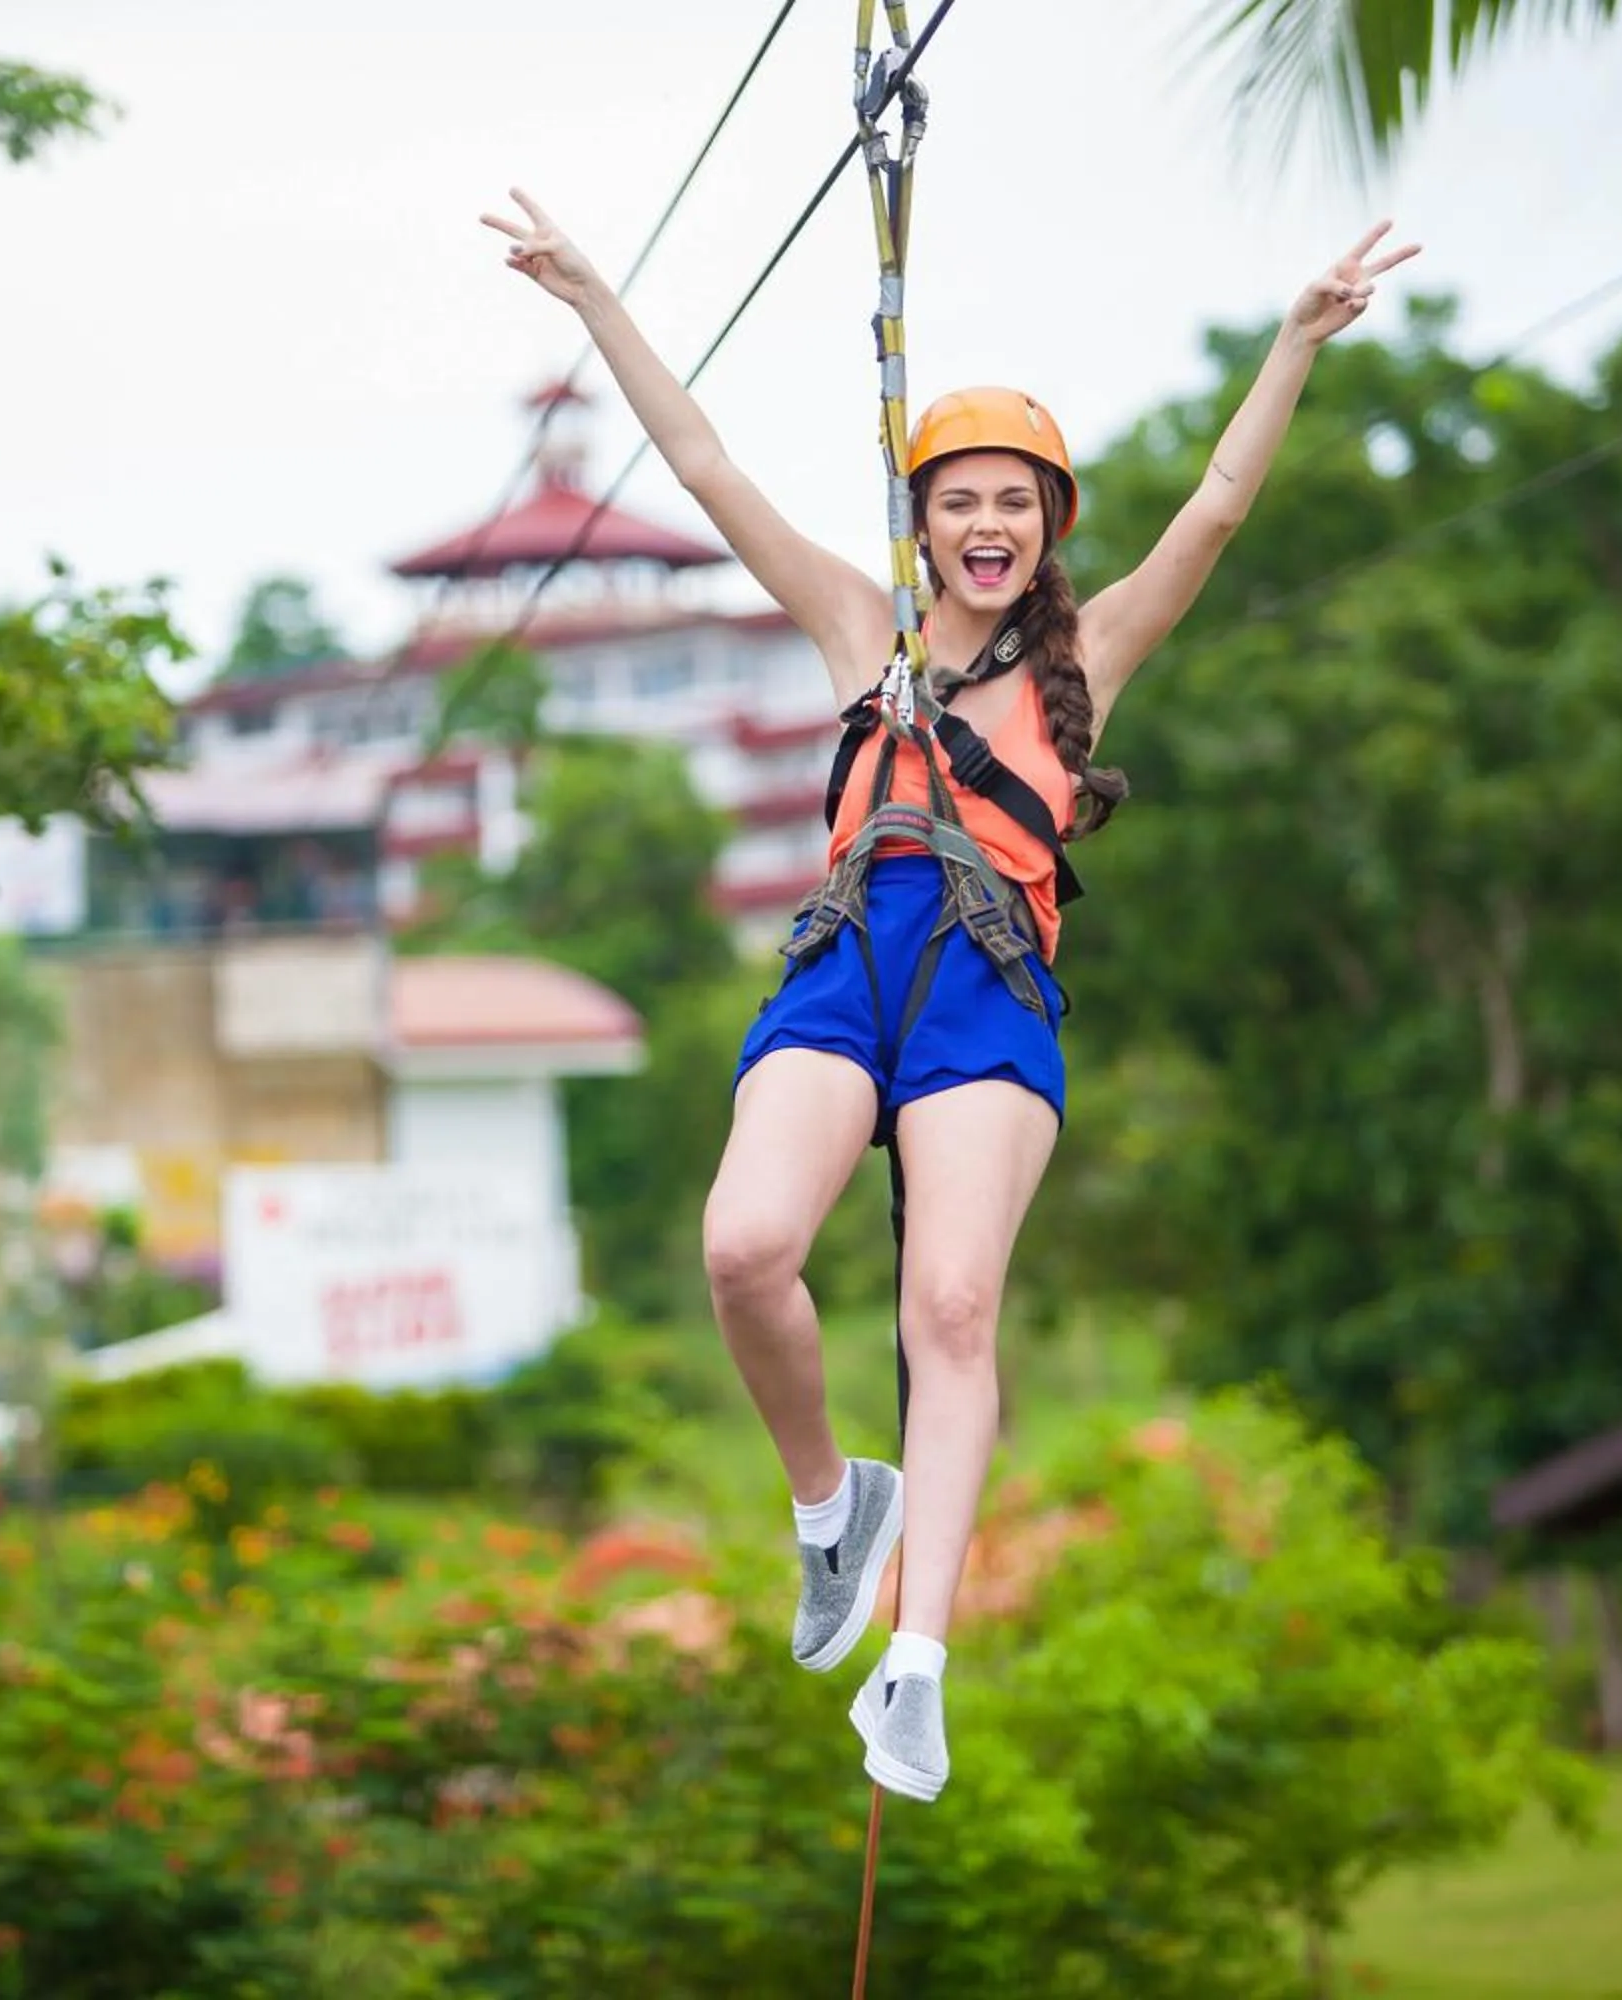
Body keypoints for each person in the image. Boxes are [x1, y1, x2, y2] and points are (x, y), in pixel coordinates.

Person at [481, 186, 1417, 1804]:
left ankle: (917, 1666)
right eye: (960, 501)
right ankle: (832, 1506)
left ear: (1049, 524)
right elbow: (708, 473)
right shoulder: (861, 626)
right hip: (846, 961)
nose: (989, 525)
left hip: (986, 990)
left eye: (1017, 504)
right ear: (923, 523)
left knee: (954, 1310)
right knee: (744, 1245)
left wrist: (1294, 343)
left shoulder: (1093, 656)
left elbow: (1213, 512)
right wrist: (593, 301)